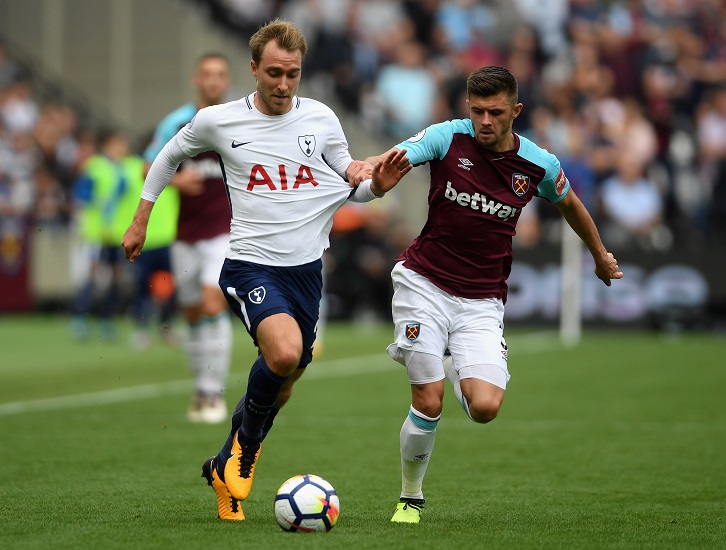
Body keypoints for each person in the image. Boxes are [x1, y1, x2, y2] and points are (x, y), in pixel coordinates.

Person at [121, 19, 411, 522]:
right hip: (250, 265)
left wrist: (377, 183)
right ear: (253, 68)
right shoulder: (219, 121)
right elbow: (169, 155)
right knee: (283, 353)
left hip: (306, 272)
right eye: (273, 73)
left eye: (292, 75)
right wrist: (142, 216)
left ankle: (224, 462)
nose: (282, 84)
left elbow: (349, 181)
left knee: (288, 376)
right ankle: (244, 454)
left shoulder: (321, 119)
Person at [365, 65, 623, 524]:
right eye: (477, 111)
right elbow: (399, 154)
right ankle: (411, 496)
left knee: (484, 408)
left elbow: (571, 205)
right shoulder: (448, 137)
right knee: (429, 398)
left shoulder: (539, 165)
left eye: (495, 113)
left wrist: (601, 256)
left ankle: (450, 360)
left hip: (482, 300)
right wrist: (373, 174)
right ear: (468, 108)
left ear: (515, 112)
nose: (484, 121)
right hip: (422, 281)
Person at [142, 52, 234, 423]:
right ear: (197, 79)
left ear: (227, 81)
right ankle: (201, 389)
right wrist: (176, 179)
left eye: (219, 75)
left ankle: (214, 394)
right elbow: (149, 164)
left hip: (226, 231)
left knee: (213, 302)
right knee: (193, 311)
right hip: (186, 233)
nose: (213, 81)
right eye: (206, 74)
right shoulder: (177, 123)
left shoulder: (238, 120)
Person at [70, 129, 135, 341]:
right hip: (97, 233)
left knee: (115, 278)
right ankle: (80, 319)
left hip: (116, 233)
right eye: (120, 144)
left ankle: (107, 320)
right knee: (92, 276)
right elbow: (80, 193)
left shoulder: (124, 168)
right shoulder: (95, 166)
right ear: (109, 144)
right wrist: (97, 201)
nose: (124, 149)